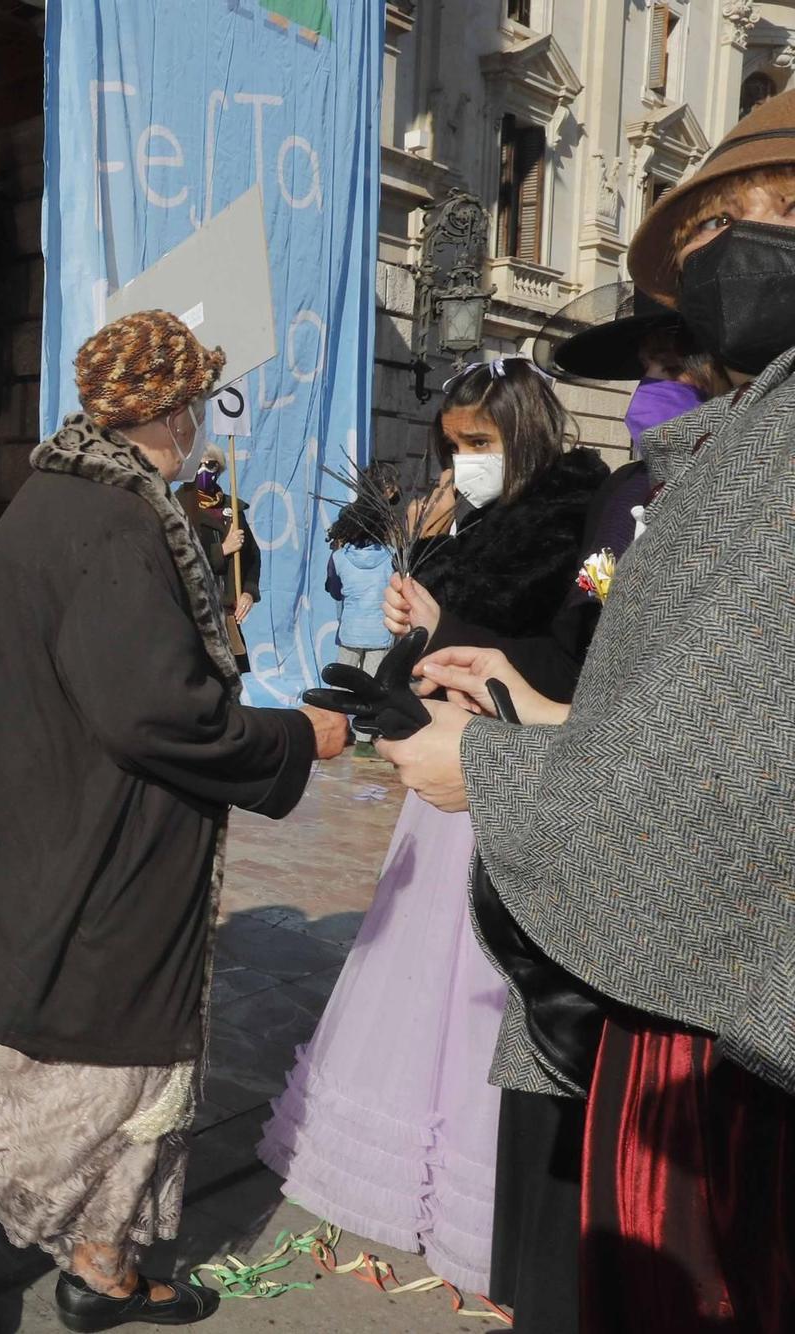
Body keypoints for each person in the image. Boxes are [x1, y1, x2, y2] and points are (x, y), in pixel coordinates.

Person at [385, 91, 795, 1333]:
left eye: (780, 209)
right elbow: (699, 702)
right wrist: (528, 712)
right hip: (684, 991)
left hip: (726, 1038)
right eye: (722, 219)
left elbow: (738, 781)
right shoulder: (753, 436)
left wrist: (498, 771)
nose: (744, 241)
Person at [0, 310, 345, 1332]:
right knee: (106, 1075)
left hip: (27, 846)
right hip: (95, 854)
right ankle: (101, 1267)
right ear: (170, 408)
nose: (206, 425)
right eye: (201, 405)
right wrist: (295, 737)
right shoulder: (114, 521)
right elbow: (154, 711)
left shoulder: (58, 496)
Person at [256, 356, 606, 1299]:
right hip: (437, 768)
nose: (466, 461)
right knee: (416, 973)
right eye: (454, 445)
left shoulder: (582, 512)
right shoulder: (467, 517)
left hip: (508, 771)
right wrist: (414, 618)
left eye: (481, 444)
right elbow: (436, 643)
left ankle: (474, 1189)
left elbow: (577, 658)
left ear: (526, 433)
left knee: (483, 978)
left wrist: (452, 618)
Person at [172, 444, 258, 671]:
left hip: (226, 612)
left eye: (210, 464)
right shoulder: (177, 507)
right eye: (198, 465)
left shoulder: (232, 508)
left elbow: (252, 556)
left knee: (230, 681)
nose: (204, 470)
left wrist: (248, 591)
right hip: (193, 613)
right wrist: (222, 550)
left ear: (219, 469)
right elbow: (178, 559)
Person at [324, 497, 393, 676]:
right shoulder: (392, 556)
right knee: (373, 687)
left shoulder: (338, 558)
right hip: (382, 632)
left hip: (350, 632)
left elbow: (336, 593)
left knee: (342, 686)